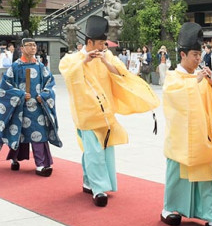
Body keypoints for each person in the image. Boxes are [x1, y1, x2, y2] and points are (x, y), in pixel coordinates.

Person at [59, 16, 160, 207]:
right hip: (86, 114)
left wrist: (106, 62)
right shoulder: (72, 59)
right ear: (89, 42)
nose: (103, 46)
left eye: (104, 43)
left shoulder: (107, 56)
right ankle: (98, 189)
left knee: (101, 151)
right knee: (94, 152)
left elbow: (123, 74)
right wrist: (84, 61)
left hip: (105, 113)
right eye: (100, 43)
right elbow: (67, 73)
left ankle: (89, 182)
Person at [161, 22, 212, 226]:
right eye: (194, 54)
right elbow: (174, 97)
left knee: (204, 177)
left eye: (199, 54)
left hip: (201, 137)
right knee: (177, 176)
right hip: (180, 139)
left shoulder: (198, 76)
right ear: (183, 54)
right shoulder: (174, 78)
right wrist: (195, 83)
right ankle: (170, 208)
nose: (198, 58)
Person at [0, 35, 60, 175]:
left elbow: (50, 84)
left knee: (39, 134)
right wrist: (20, 95)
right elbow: (5, 88)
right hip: (19, 108)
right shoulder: (15, 67)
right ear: (21, 48)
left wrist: (44, 95)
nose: (33, 47)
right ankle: (14, 159)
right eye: (29, 45)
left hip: (38, 108)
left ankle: (41, 165)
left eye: (34, 45)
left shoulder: (41, 67)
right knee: (18, 133)